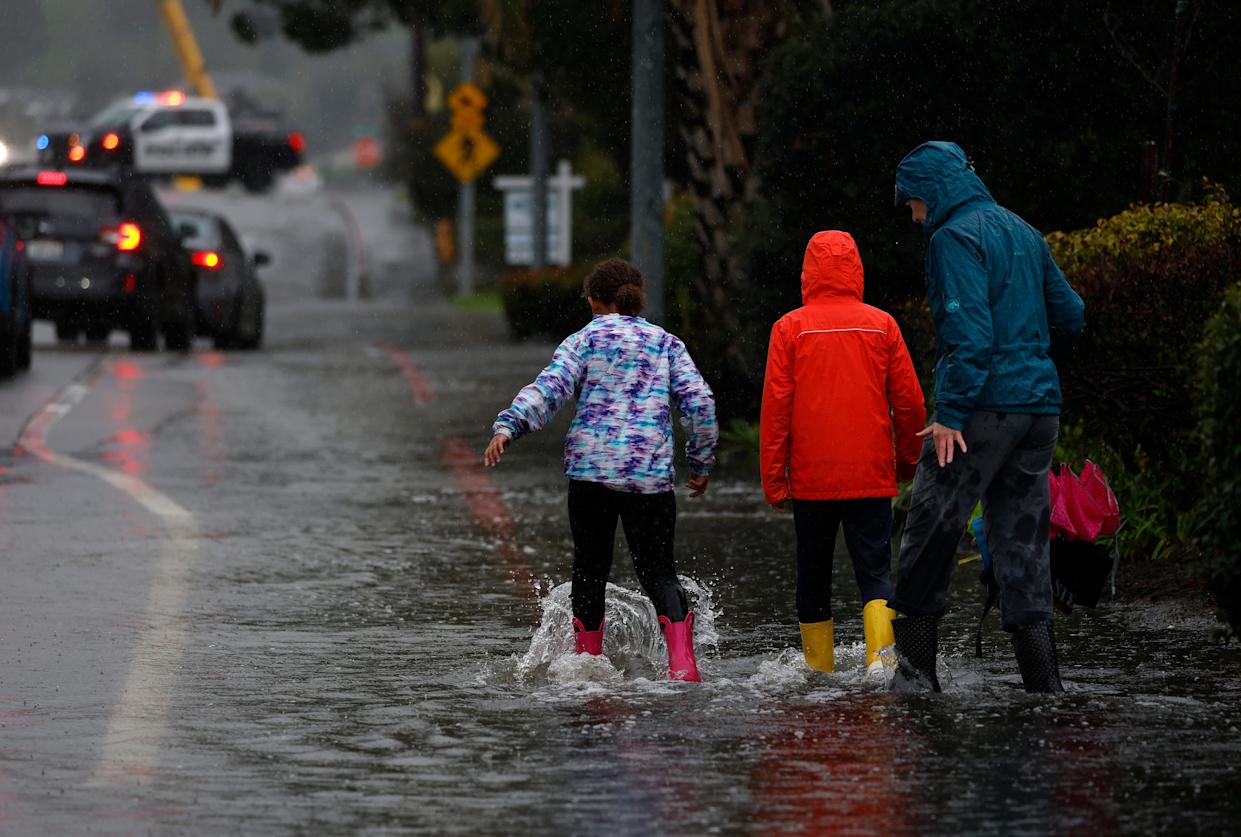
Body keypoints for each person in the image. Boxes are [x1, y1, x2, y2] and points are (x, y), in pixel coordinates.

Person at [890, 141, 1085, 693]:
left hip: (979, 410)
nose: (913, 216)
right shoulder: (1022, 229)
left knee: (930, 531)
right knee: (1022, 543)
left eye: (912, 204)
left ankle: (915, 678)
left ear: (930, 191)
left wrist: (950, 413)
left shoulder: (953, 238)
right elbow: (1071, 314)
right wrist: (1032, 360)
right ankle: (1044, 684)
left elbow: (969, 335)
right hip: (1037, 411)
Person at [484, 258, 719, 682]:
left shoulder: (583, 341)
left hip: (591, 477)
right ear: (637, 298)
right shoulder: (666, 343)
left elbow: (549, 389)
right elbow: (699, 403)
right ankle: (683, 666)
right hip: (649, 479)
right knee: (659, 572)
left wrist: (509, 425)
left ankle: (587, 666)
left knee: (589, 570)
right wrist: (700, 461)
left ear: (593, 300)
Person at [760, 230, 926, 675]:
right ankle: (881, 660)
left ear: (807, 273)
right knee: (875, 570)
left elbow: (776, 410)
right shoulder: (882, 325)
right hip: (869, 473)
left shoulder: (788, 328)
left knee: (812, 573)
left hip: (812, 478)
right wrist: (909, 460)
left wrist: (775, 480)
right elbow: (909, 402)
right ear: (857, 269)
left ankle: (819, 669)